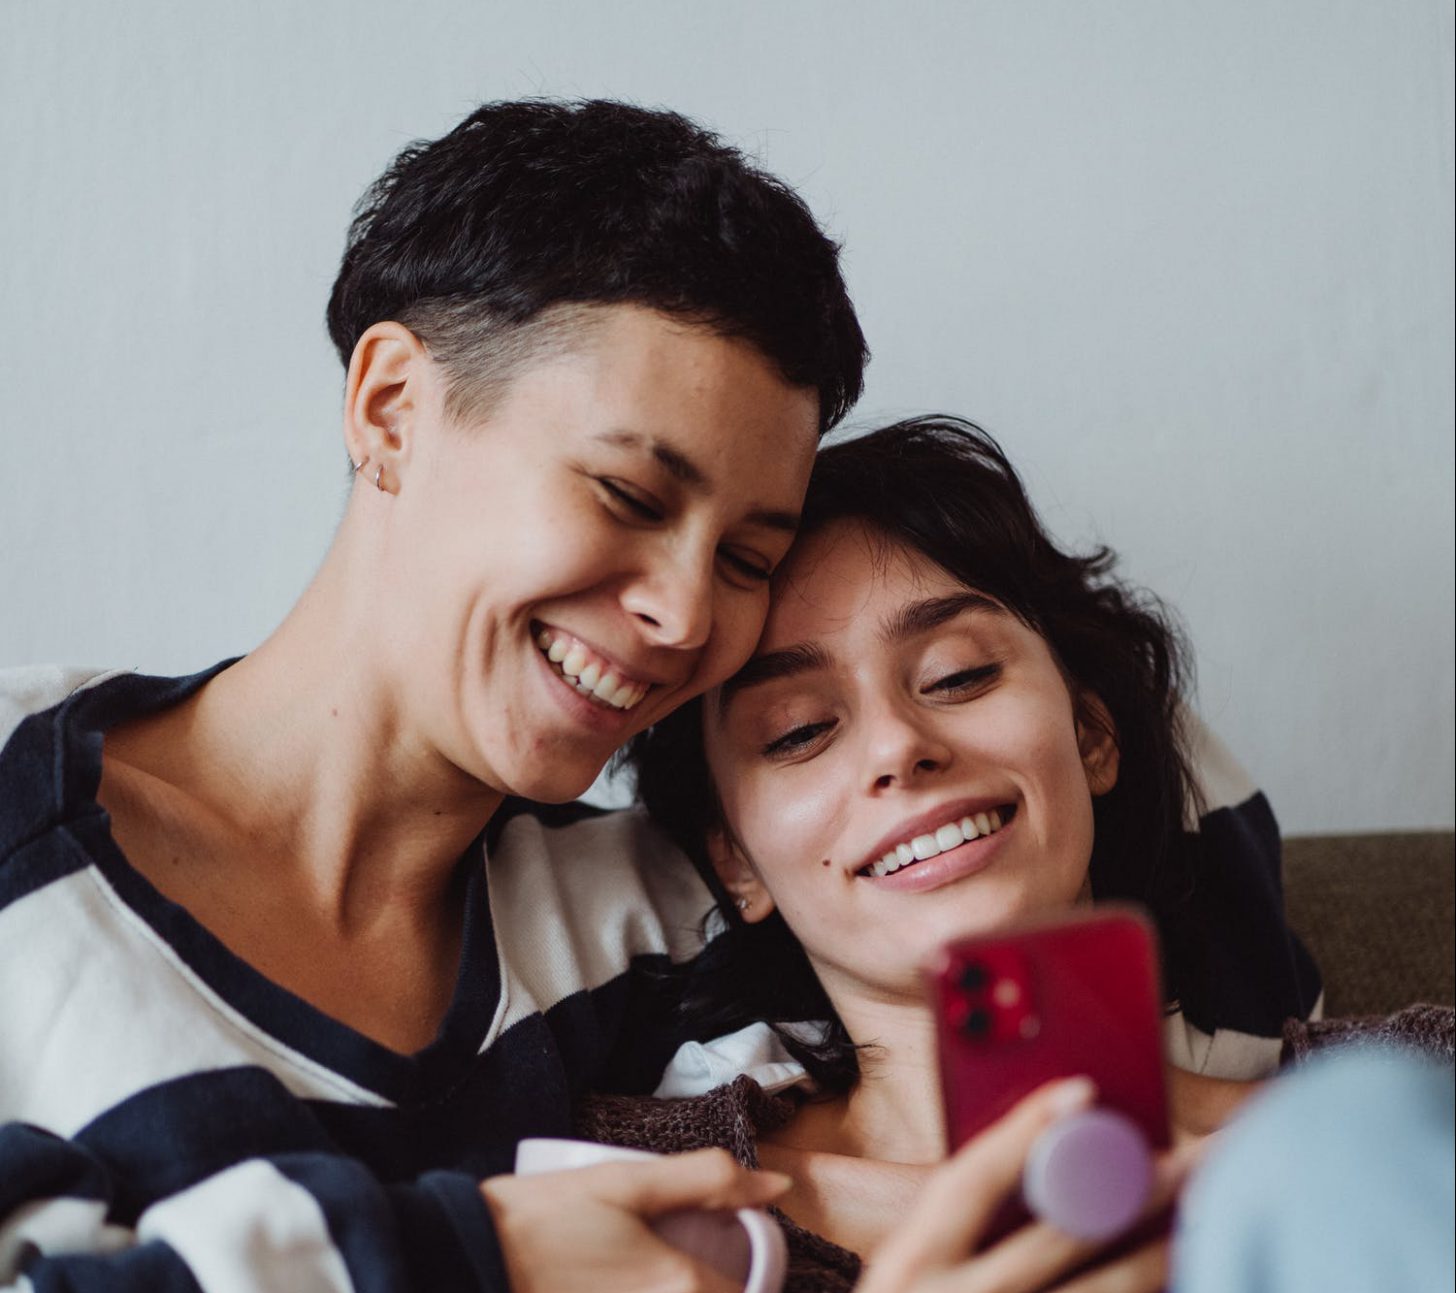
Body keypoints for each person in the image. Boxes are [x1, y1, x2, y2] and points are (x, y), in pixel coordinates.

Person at [0, 97, 867, 1292]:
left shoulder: (664, 926)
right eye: (627, 495)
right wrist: (480, 1257)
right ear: (392, 410)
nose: (684, 614)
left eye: (747, 561)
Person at [595, 415, 1326, 1290]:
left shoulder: (1408, 1104)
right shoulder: (626, 1198)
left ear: (1092, 734)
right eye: (800, 731)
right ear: (737, 861)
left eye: (958, 675)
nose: (898, 746)